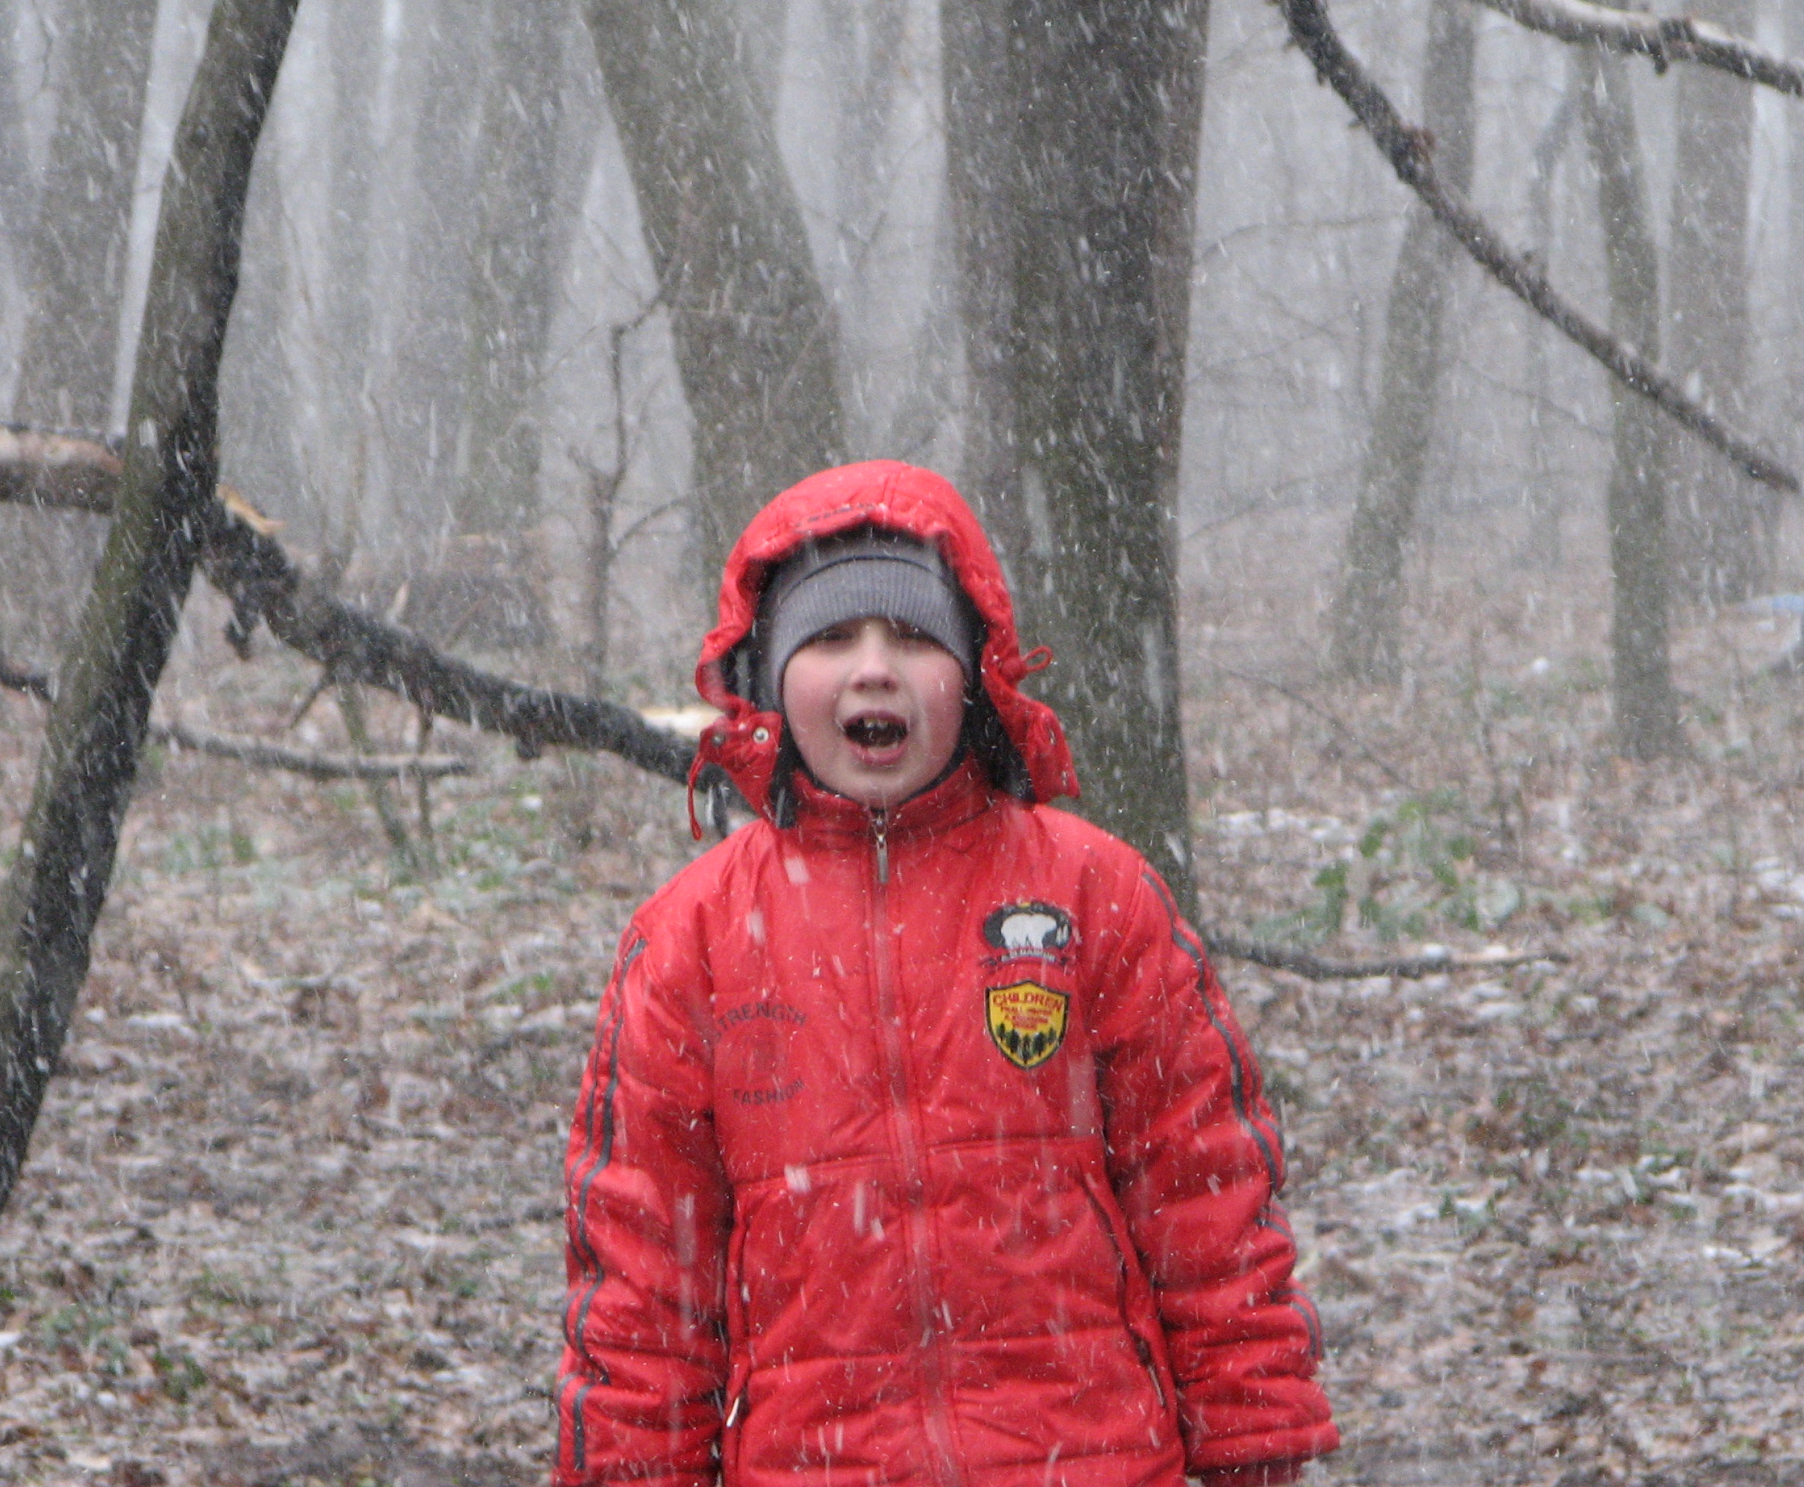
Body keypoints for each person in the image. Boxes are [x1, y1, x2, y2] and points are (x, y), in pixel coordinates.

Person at [554, 461, 1336, 1487]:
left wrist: (1255, 1434)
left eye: (914, 638)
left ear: (973, 676)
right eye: (831, 639)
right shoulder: (692, 940)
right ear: (768, 680)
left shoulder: (1090, 893)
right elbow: (644, 1272)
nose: (872, 669)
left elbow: (1207, 1196)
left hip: (1085, 1459)